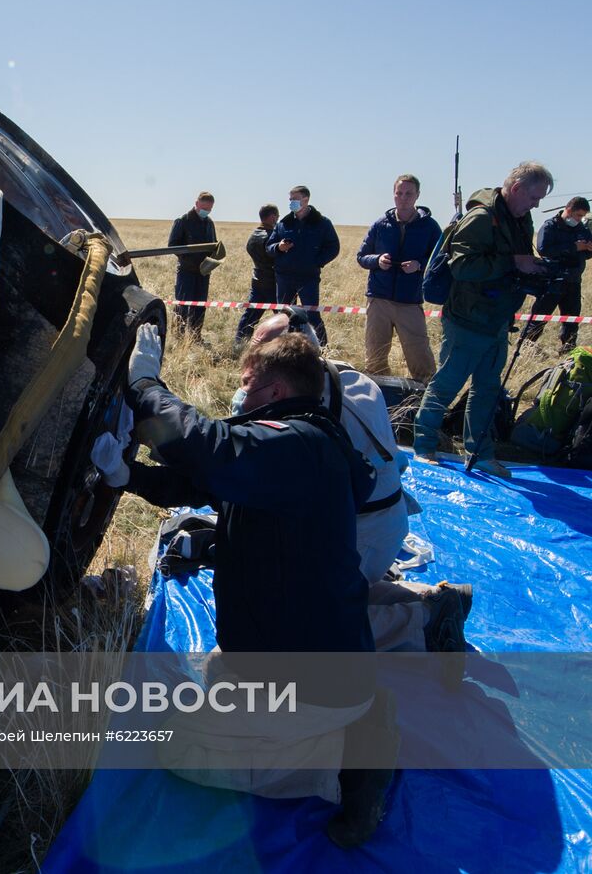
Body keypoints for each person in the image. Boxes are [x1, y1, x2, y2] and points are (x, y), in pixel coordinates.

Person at [100, 326, 396, 846]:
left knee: (179, 749)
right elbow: (198, 480)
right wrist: (129, 477)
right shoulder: (289, 450)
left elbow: (208, 448)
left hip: (316, 686)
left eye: (247, 386)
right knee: (212, 683)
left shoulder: (298, 448)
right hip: (292, 656)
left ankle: (350, 761)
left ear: (276, 392)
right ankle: (407, 638)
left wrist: (145, 386)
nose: (239, 396)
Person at [250, 312, 471, 655]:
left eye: (260, 357)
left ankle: (424, 621)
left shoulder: (306, 406)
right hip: (382, 522)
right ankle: (433, 600)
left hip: (362, 533)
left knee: (297, 625)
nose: (250, 369)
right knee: (332, 585)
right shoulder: (348, 376)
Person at [412, 162, 554, 477]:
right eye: (534, 197)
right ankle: (424, 447)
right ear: (516, 188)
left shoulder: (518, 219)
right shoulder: (480, 219)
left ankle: (480, 453)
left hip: (497, 319)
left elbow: (514, 260)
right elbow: (463, 267)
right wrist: (511, 262)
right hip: (467, 320)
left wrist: (535, 267)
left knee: (488, 390)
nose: (536, 204)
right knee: (447, 384)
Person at [356, 175, 441, 380]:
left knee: (421, 358)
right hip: (379, 300)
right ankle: (378, 401)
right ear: (394, 195)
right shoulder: (380, 224)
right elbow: (361, 256)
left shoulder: (429, 226)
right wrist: (377, 260)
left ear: (417, 195)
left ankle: (426, 402)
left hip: (409, 302)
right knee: (375, 358)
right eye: (399, 193)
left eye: (408, 193)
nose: (403, 198)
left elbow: (439, 260)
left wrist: (419, 265)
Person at [268, 185, 340, 345]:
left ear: (306, 200)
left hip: (308, 278)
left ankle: (322, 349)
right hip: (284, 277)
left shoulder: (321, 223)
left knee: (312, 315)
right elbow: (269, 246)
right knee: (284, 315)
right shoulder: (284, 223)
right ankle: (284, 347)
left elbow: (333, 247)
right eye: (290, 199)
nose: (291, 202)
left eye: (295, 199)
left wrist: (317, 262)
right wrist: (278, 247)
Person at [528, 196, 592, 351]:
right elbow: (544, 249)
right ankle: (527, 347)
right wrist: (573, 248)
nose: (579, 219)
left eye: (582, 216)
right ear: (569, 210)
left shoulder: (581, 230)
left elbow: (586, 253)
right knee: (539, 317)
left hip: (573, 281)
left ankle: (568, 349)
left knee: (572, 320)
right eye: (578, 215)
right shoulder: (550, 226)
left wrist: (587, 248)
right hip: (552, 280)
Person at [169, 191, 218, 339]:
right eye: (204, 208)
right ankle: (179, 335)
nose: (206, 211)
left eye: (209, 209)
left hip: (203, 272)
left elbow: (213, 244)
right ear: (196, 204)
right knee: (183, 304)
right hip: (186, 271)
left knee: (200, 305)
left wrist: (213, 259)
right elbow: (173, 245)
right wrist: (189, 258)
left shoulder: (209, 223)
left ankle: (196, 335)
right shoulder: (182, 221)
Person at [234, 204, 280, 348]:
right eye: (277, 217)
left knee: (250, 315)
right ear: (272, 217)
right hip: (273, 281)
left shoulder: (253, 235)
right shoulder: (271, 236)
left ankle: (239, 343)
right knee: (284, 317)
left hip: (258, 278)